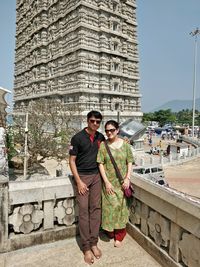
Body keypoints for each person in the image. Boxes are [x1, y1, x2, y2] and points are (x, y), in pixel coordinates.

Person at [69, 110, 105, 265]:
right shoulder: (77, 138)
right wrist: (79, 181)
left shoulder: (100, 137)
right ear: (87, 121)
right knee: (83, 212)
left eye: (98, 122)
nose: (95, 124)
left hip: (96, 176)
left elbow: (107, 151)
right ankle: (86, 247)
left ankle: (94, 242)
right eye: (92, 121)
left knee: (96, 209)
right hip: (82, 177)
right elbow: (71, 161)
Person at [97, 120, 134, 248]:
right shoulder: (103, 145)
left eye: (112, 130)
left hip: (122, 183)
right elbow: (100, 163)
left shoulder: (125, 145)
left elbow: (129, 161)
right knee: (109, 209)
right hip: (109, 184)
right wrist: (106, 182)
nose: (109, 133)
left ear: (117, 130)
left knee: (120, 209)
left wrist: (127, 178)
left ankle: (119, 235)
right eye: (107, 130)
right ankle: (110, 231)